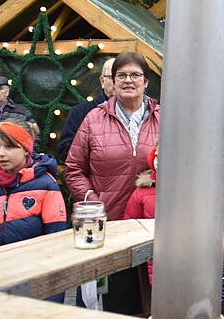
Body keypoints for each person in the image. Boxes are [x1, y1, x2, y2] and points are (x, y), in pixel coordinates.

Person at [65, 51, 160, 315]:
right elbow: (73, 168)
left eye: (135, 75)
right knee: (118, 303)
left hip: (153, 226)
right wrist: (91, 200)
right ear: (112, 81)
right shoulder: (94, 119)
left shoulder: (164, 117)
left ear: (146, 81)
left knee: (157, 300)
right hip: (110, 226)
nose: (129, 80)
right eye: (122, 75)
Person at [124, 147, 224, 309]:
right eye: (156, 156)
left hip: (191, 258)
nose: (159, 160)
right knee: (164, 304)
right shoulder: (142, 192)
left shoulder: (194, 188)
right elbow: (130, 223)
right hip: (155, 258)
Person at [0, 119, 67, 301]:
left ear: (26, 149)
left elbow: (56, 236)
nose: (1, 154)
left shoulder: (46, 185)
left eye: (10, 147)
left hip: (34, 271)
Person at [58, 57, 115, 164]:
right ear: (102, 81)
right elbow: (65, 151)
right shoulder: (80, 113)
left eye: (123, 76)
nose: (119, 82)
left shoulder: (140, 112)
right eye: (113, 77)